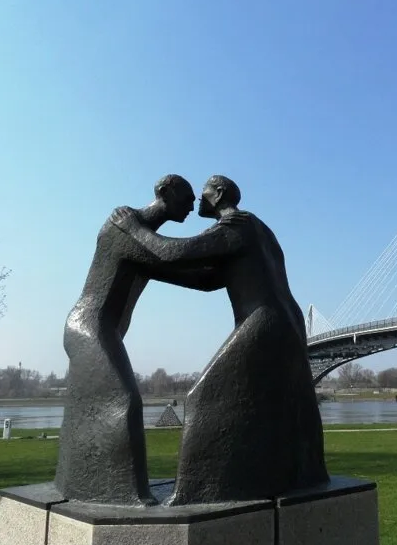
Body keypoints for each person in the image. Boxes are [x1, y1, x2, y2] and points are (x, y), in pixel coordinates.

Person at [110, 175, 328, 504]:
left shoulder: (234, 227)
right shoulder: (257, 228)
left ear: (220, 194)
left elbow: (173, 253)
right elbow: (207, 279)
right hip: (289, 321)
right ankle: (291, 474)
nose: (199, 198)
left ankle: (194, 492)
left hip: (263, 321)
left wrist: (132, 230)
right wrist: (149, 267)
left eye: (205, 192)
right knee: (288, 401)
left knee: (203, 397)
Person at [55, 175, 196, 505]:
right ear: (165, 192)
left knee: (89, 408)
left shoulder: (144, 237)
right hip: (88, 326)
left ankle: (78, 482)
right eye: (187, 197)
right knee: (123, 401)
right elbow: (171, 256)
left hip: (104, 330)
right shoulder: (125, 225)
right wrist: (222, 241)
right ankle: (127, 494)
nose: (192, 205)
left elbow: (192, 275)